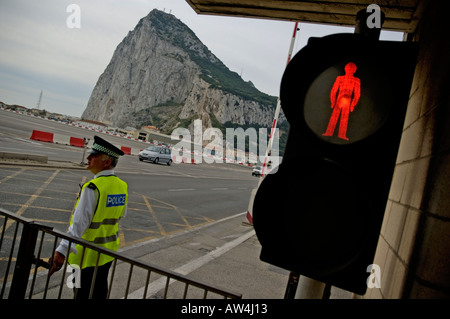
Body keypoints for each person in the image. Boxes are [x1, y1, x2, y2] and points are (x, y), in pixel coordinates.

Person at [49, 135, 128, 299]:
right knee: (99, 291)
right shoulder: (122, 186)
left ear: (106, 162)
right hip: (107, 254)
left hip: (83, 257)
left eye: (94, 156)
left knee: (79, 292)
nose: (88, 158)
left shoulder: (92, 188)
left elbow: (78, 225)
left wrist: (61, 251)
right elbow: (121, 215)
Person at [322, 62, 361, 141]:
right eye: (348, 68)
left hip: (347, 100)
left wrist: (352, 105)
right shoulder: (340, 78)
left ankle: (342, 134)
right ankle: (329, 132)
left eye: (351, 69)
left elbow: (357, 94)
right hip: (339, 99)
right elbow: (334, 90)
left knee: (344, 118)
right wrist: (333, 101)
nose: (349, 70)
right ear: (345, 69)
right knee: (334, 117)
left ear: (354, 70)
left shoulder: (356, 80)